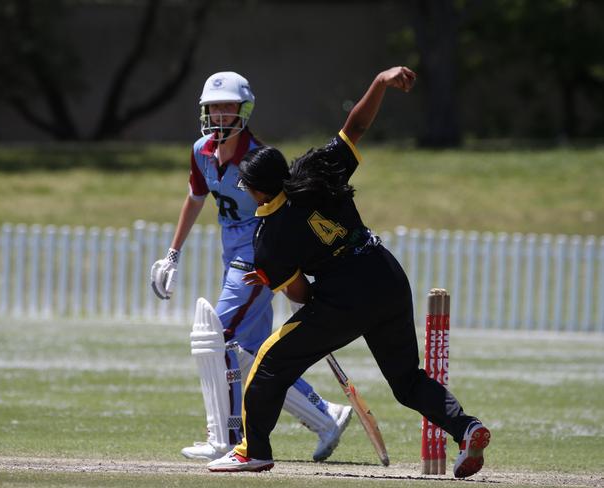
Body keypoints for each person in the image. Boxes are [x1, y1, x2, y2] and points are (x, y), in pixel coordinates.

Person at [206, 66, 491, 478]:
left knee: (269, 361)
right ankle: (466, 428)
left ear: (255, 190)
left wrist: (272, 278)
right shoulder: (313, 169)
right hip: (386, 275)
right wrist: (379, 82)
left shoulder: (267, 238)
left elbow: (301, 296)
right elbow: (354, 126)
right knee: (407, 380)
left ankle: (254, 450)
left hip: (344, 300)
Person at [150, 71, 352, 462]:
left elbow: (288, 211)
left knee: (217, 337)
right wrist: (173, 253)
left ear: (243, 111)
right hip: (232, 258)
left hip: (257, 259)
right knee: (253, 353)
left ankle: (225, 437)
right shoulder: (200, 151)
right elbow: (195, 198)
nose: (220, 115)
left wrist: (292, 267)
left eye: (228, 107)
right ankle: (327, 416)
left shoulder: (258, 159)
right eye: (214, 107)